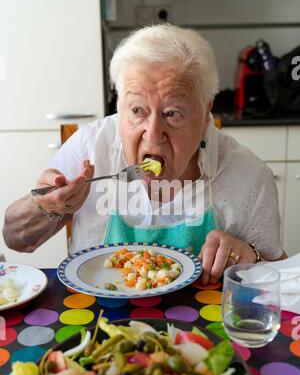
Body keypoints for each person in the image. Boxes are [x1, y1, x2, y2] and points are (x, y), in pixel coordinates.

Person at [3, 24, 286, 284]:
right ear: (119, 106)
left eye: (172, 113)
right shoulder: (91, 148)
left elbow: (282, 280)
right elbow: (15, 239)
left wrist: (251, 258)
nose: (152, 134)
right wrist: (44, 207)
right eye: (137, 110)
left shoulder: (248, 175)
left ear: (205, 114)